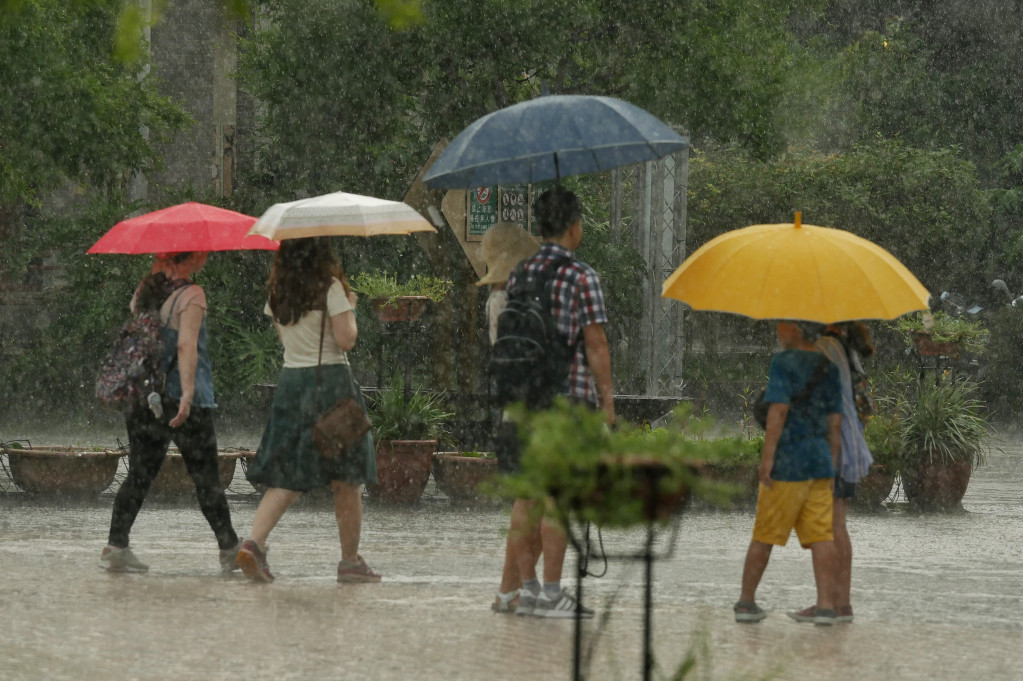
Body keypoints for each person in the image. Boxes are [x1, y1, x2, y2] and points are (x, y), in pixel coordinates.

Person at [498, 187, 616, 619]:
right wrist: (607, 405)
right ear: (574, 227)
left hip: (525, 403)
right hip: (567, 403)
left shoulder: (520, 273)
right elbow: (596, 343)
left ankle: (527, 591)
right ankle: (551, 592)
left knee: (526, 497)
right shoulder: (581, 277)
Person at [237, 237, 379, 584]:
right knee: (346, 476)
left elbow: (287, 341)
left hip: (291, 385)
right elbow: (345, 340)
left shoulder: (277, 292)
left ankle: (254, 543)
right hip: (331, 384)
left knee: (288, 474)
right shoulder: (329, 287)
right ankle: (350, 562)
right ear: (321, 252)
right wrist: (350, 308)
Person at [101, 251, 241, 573]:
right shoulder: (191, 295)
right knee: (206, 477)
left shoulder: (143, 291)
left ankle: (116, 544)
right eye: (202, 249)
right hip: (181, 398)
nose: (207, 253)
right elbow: (185, 346)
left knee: (139, 473)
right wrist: (187, 396)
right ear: (192, 256)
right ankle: (230, 548)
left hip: (143, 398)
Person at [734, 321, 842, 625]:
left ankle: (746, 602)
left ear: (795, 329)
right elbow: (836, 422)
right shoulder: (830, 367)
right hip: (819, 463)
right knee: (822, 536)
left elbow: (778, 411)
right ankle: (825, 607)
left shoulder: (783, 362)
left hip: (788, 462)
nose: (778, 330)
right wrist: (832, 463)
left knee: (765, 534)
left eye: (782, 324)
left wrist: (767, 458)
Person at [787, 322, 875, 624]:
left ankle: (829, 603)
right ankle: (841, 603)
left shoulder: (826, 347)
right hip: (849, 445)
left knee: (829, 526)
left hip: (834, 447)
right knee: (838, 525)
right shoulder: (843, 347)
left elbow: (818, 400)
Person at [475, 222, 542, 613]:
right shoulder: (526, 302)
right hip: (537, 413)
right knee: (533, 505)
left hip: (513, 411)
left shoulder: (497, 301)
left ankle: (513, 589)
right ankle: (512, 588)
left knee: (528, 503)